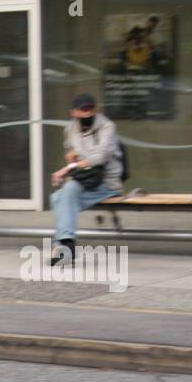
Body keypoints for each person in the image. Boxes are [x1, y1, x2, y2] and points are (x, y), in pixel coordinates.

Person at [48, 93, 124, 266]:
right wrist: (70, 160)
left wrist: (67, 169)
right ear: (73, 113)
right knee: (62, 195)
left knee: (59, 198)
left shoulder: (107, 126)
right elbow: (71, 154)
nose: (87, 113)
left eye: (90, 109)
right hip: (84, 180)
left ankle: (62, 244)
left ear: (95, 110)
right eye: (83, 110)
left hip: (107, 181)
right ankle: (66, 244)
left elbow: (101, 156)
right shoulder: (70, 129)